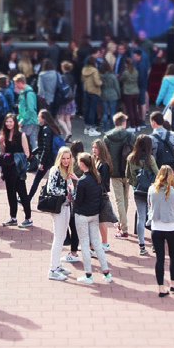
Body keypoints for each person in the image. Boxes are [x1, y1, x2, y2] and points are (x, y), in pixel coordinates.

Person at [73, 153, 112, 287]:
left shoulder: (83, 181)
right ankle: (106, 273)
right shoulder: (97, 177)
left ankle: (88, 275)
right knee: (96, 243)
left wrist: (73, 191)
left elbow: (78, 201)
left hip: (82, 215)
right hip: (94, 215)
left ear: (82, 164)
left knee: (84, 244)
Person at [150, 165, 174, 297]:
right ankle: (173, 284)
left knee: (160, 258)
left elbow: (149, 204)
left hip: (156, 227)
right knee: (173, 256)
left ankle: (161, 287)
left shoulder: (151, 190)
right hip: (171, 227)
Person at [45, 145, 77, 281]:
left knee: (63, 236)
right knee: (58, 238)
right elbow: (50, 189)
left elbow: (71, 190)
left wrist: (72, 189)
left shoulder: (68, 171)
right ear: (59, 158)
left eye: (68, 158)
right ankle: (52, 269)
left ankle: (57, 265)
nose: (66, 161)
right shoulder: (55, 170)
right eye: (63, 158)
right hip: (58, 207)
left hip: (66, 206)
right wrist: (66, 193)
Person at [0, 111, 32, 227]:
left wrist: (14, 157)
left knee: (22, 193)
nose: (8, 124)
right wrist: (1, 143)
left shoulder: (21, 135)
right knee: (10, 193)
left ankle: (28, 218)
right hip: (8, 169)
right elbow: (3, 152)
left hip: (18, 169)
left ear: (15, 123)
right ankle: (13, 217)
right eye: (7, 121)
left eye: (10, 121)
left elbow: (27, 154)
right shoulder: (5, 135)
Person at [103, 112, 135, 236]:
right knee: (126, 197)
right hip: (128, 170)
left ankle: (123, 227)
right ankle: (123, 223)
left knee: (119, 200)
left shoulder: (107, 137)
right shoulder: (131, 136)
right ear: (124, 123)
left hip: (114, 171)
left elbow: (105, 155)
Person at [126, 135, 158, 258]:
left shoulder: (131, 158)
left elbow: (127, 174)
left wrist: (134, 185)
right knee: (153, 217)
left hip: (138, 191)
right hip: (151, 192)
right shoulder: (150, 159)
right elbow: (158, 173)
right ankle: (154, 244)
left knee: (141, 216)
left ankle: (142, 246)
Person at [150, 111, 174, 181]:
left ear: (153, 122)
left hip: (157, 171)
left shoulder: (150, 138)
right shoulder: (172, 136)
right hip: (172, 170)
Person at [81, 57, 102, 136]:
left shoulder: (84, 70)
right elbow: (97, 82)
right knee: (92, 110)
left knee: (87, 109)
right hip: (94, 92)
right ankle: (92, 129)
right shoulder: (94, 70)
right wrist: (101, 82)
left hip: (86, 91)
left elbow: (82, 80)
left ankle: (86, 127)